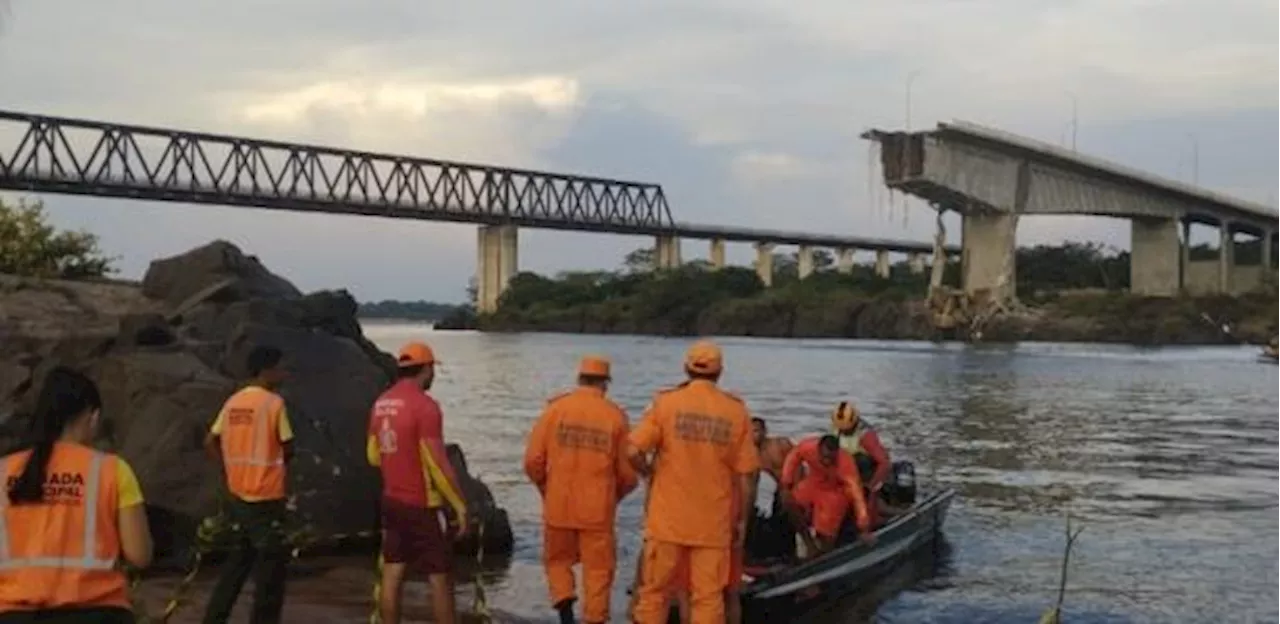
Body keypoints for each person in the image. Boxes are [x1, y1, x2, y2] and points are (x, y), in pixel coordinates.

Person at [0, 367, 153, 623]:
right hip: (98, 612)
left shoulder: (4, 470)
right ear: (92, 417)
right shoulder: (112, 470)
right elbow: (140, 555)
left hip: (15, 614)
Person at [628, 340, 759, 624]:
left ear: (686, 368)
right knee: (708, 598)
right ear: (720, 372)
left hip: (667, 521)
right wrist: (742, 521)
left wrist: (649, 472)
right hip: (713, 524)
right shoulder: (736, 411)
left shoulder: (665, 403)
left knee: (654, 594)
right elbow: (746, 475)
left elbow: (632, 451)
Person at [524, 355, 638, 624]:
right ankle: (594, 619)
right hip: (597, 509)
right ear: (605, 383)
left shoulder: (555, 410)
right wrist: (614, 496)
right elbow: (629, 475)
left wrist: (546, 488)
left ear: (579, 378)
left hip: (558, 503)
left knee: (557, 561)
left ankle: (565, 608)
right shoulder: (616, 417)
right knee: (598, 571)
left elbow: (532, 461)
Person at [366, 341, 469, 624]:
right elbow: (437, 462)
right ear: (426, 369)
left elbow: (373, 455)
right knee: (440, 577)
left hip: (391, 500)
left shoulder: (381, 403)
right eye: (432, 369)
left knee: (392, 571)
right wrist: (460, 506)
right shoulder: (425, 406)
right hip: (423, 504)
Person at [202, 345, 294, 624]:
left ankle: (214, 618)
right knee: (271, 571)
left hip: (238, 494)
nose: (284, 372)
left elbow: (209, 441)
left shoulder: (233, 402)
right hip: (266, 496)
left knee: (237, 563)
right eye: (280, 367)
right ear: (266, 371)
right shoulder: (273, 404)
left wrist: (228, 469)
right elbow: (288, 445)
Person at [779, 434, 873, 558]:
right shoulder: (808, 447)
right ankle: (808, 543)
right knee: (788, 502)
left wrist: (863, 527)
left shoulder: (846, 464)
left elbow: (857, 495)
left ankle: (825, 554)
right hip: (814, 482)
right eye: (824, 457)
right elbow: (793, 457)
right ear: (818, 449)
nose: (827, 461)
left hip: (835, 491)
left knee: (826, 532)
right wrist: (786, 482)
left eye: (831, 458)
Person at [830, 401, 891, 523]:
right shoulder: (836, 430)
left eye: (847, 430)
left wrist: (871, 487)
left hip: (867, 474)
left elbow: (884, 463)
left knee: (869, 513)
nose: (844, 432)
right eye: (842, 430)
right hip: (847, 475)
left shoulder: (866, 436)